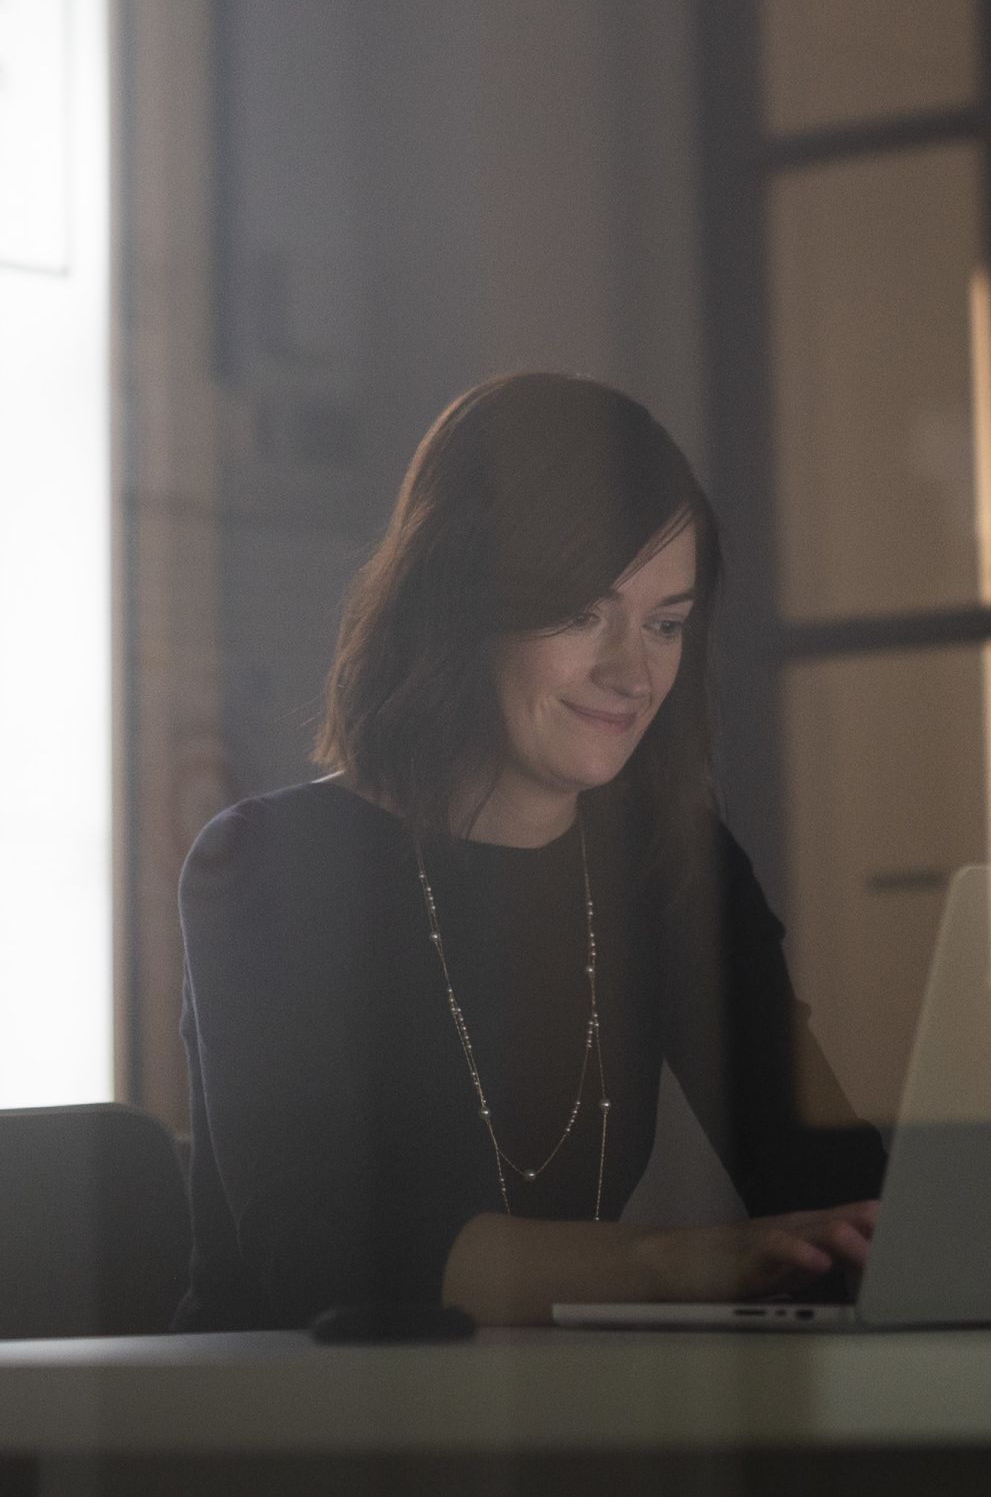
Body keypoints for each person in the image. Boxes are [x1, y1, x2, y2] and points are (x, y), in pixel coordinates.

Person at [176, 372, 887, 1328]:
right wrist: (671, 1262)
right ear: (459, 600)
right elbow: (328, 1259)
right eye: (583, 613)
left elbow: (824, 1177)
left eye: (665, 623)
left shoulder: (671, 863)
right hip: (284, 1429)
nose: (632, 672)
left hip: (547, 1423)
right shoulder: (272, 865)